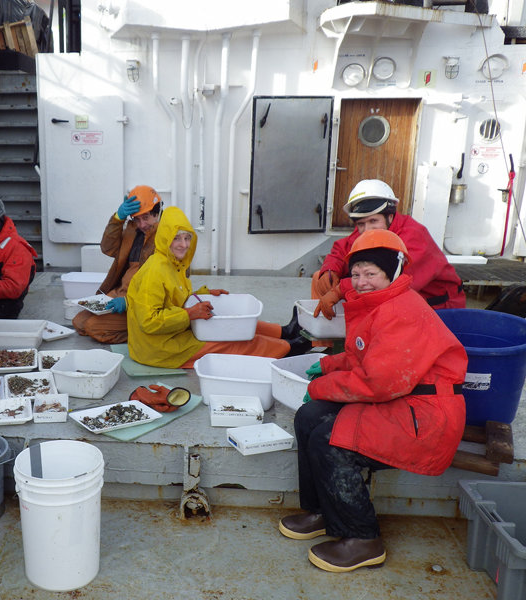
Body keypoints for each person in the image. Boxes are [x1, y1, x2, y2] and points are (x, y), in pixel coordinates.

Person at [279, 229, 467, 573]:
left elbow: (377, 382)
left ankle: (363, 538)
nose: (361, 282)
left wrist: (321, 386)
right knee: (310, 416)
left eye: (371, 274)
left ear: (392, 273)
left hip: (425, 416)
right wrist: (325, 365)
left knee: (330, 439)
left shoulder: (401, 311)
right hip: (400, 398)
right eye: (356, 273)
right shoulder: (379, 303)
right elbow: (362, 357)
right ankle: (322, 510)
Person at [126, 206, 311, 368]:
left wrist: (204, 295)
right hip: (159, 348)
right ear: (165, 238)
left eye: (187, 238)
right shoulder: (154, 271)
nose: (184, 245)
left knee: (236, 323)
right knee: (231, 342)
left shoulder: (173, 264)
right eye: (176, 239)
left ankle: (285, 332)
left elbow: (175, 299)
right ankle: (289, 349)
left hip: (172, 331)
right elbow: (149, 321)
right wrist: (190, 313)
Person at [312, 179, 465, 319]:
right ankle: (324, 339)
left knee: (363, 289)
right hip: (400, 300)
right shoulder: (369, 231)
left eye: (373, 220)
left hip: (437, 309)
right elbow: (342, 248)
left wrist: (339, 290)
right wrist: (329, 270)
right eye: (361, 224)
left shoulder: (414, 236)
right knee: (319, 277)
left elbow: (394, 283)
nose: (367, 229)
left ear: (390, 217)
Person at [73, 185, 161, 344]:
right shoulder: (133, 230)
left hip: (141, 302)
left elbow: (162, 287)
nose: (141, 224)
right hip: (119, 293)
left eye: (146, 217)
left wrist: (129, 301)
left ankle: (144, 333)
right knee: (78, 322)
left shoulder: (165, 237)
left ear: (157, 213)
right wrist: (117, 219)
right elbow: (107, 248)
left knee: (93, 327)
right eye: (137, 218)